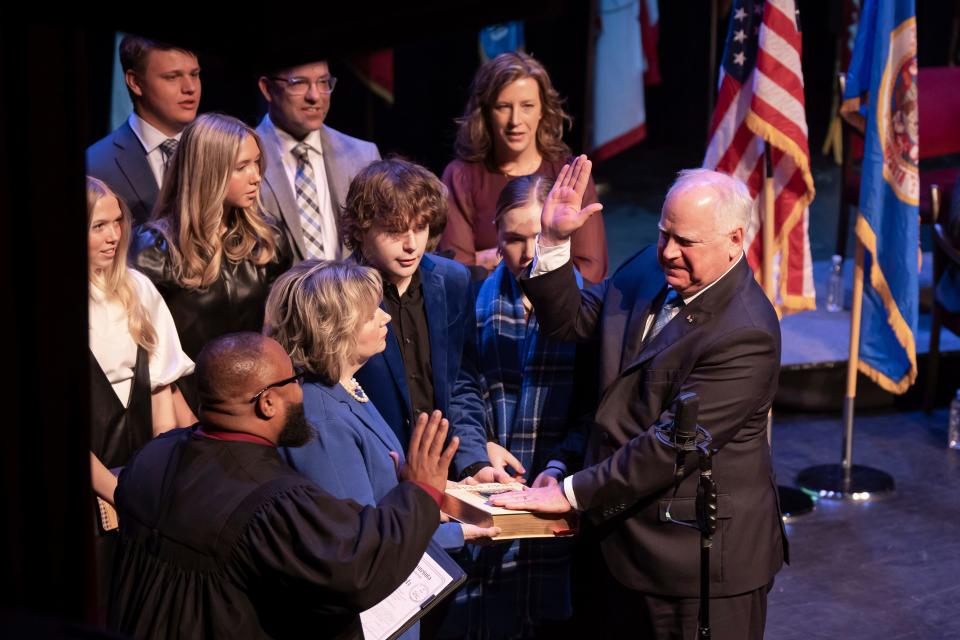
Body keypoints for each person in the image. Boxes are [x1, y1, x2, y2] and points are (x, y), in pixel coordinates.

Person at [492, 158, 788, 639]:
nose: (668, 251)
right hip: (617, 550)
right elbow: (572, 322)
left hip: (694, 566)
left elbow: (670, 447)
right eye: (664, 232)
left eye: (686, 242)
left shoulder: (746, 333)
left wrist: (569, 493)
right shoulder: (646, 270)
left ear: (736, 241)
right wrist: (553, 243)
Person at [108, 332, 459, 639]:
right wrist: (421, 491)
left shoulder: (152, 457)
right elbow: (355, 564)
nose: (301, 392)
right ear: (267, 402)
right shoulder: (270, 500)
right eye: (294, 380)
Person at [264, 260, 501, 639]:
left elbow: (383, 494)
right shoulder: (322, 417)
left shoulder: (346, 388)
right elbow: (356, 548)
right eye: (371, 313)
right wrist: (462, 532)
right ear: (334, 329)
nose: (386, 318)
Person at [445, 175, 593, 639]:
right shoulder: (473, 300)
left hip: (557, 482)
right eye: (512, 238)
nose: (527, 250)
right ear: (495, 234)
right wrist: (478, 446)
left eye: (537, 236)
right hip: (490, 484)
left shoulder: (586, 304)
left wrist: (559, 459)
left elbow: (593, 404)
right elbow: (461, 387)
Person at [342, 158, 511, 483]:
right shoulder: (340, 294)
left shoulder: (453, 280)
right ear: (361, 227)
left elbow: (461, 383)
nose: (411, 244)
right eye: (394, 231)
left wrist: (473, 462)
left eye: (419, 228)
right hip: (379, 476)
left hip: (448, 476)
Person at [86, 176, 195, 616]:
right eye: (98, 226)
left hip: (141, 476)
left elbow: (162, 391)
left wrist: (157, 480)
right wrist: (118, 493)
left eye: (117, 223)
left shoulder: (137, 289)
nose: (114, 236)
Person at [130, 113, 292, 374]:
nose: (256, 177)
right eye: (241, 167)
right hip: (190, 398)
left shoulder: (265, 238)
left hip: (255, 388)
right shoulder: (155, 249)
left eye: (257, 163)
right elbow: (146, 350)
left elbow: (279, 328)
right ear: (208, 172)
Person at [438, 52, 607, 284]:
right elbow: (455, 271)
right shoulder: (461, 176)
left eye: (527, 105)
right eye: (503, 106)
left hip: (559, 309)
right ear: (486, 112)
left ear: (543, 111)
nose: (515, 120)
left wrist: (491, 258)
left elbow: (590, 270)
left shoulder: (568, 174)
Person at [257, 59, 380, 262]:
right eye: (298, 83)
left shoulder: (363, 155)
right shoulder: (240, 159)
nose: (315, 96)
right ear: (267, 89)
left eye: (323, 82)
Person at [86, 35, 201, 225]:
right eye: (172, 77)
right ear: (135, 82)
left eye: (195, 74)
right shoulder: (95, 165)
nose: (190, 88)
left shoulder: (221, 151)